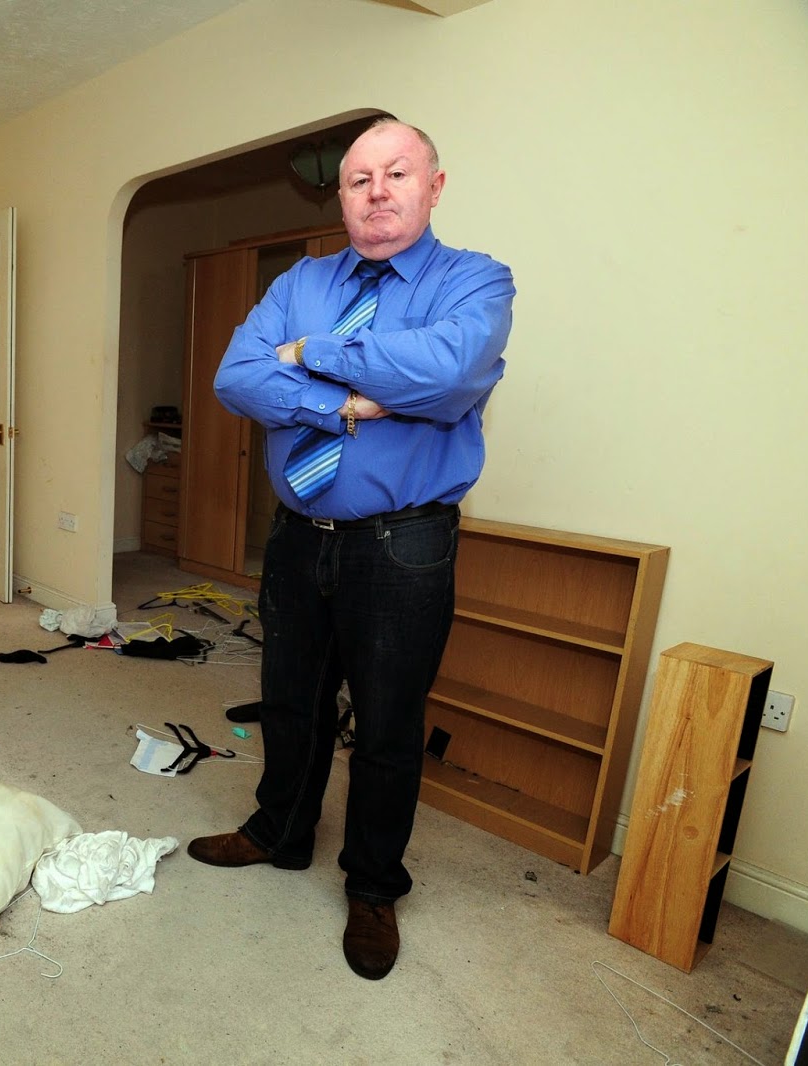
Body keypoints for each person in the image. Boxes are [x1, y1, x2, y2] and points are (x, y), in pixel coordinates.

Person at [189, 118, 515, 981]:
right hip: (297, 539)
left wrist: (313, 353)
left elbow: (447, 373)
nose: (376, 192)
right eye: (358, 179)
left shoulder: (475, 280)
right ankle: (280, 832)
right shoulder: (300, 279)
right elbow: (236, 377)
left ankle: (372, 885)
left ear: (433, 186)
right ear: (339, 197)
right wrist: (345, 401)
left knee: (387, 726)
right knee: (289, 702)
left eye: (396, 174)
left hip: (404, 545)